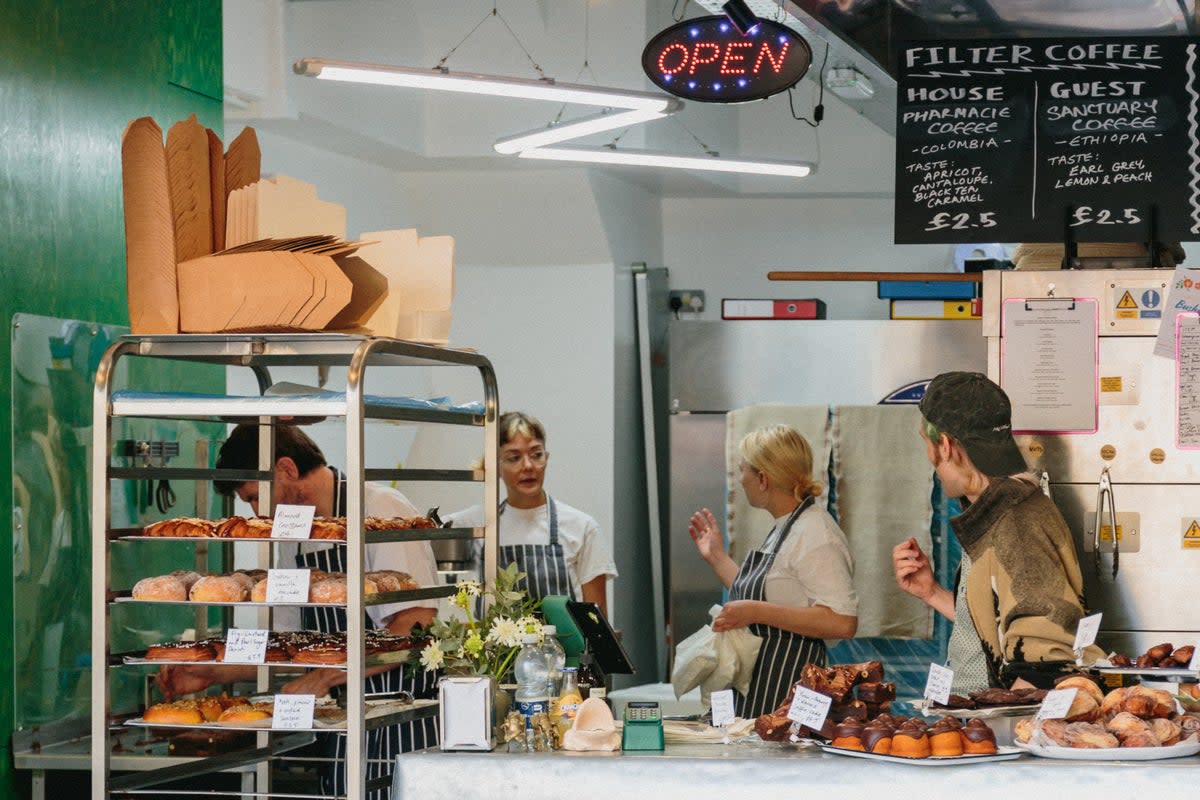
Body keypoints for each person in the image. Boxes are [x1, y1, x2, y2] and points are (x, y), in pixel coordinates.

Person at [155, 423, 439, 798]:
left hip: (397, 717)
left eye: (256, 497)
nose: (256, 513)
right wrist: (211, 671)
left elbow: (414, 626)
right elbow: (288, 643)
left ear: (286, 469)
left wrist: (322, 678)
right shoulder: (293, 534)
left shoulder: (379, 508)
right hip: (338, 726)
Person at [892, 371, 1104, 692]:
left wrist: (1003, 729)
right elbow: (1000, 623)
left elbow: (1044, 663)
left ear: (945, 446)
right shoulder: (991, 511)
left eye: (927, 445)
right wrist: (931, 592)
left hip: (995, 731)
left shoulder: (1015, 520)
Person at [688, 424, 858, 719]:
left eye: (743, 470)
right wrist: (716, 557)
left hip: (789, 694)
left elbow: (842, 622)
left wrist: (756, 611)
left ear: (763, 478)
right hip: (756, 690)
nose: (740, 480)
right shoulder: (785, 527)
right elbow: (765, 595)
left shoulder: (815, 534)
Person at [447, 411, 617, 615]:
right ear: (494, 465)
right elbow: (421, 535)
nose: (528, 466)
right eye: (514, 457)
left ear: (547, 457)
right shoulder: (477, 524)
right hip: (497, 647)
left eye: (536, 454)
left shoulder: (582, 527)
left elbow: (597, 626)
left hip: (565, 648)